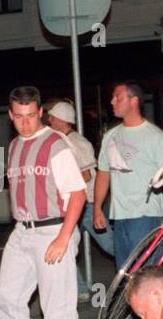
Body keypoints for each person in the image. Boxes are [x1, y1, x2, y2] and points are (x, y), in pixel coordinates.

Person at [0, 87, 88, 319]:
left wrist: (63, 237)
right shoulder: (15, 145)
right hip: (23, 231)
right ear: (10, 115)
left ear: (41, 112)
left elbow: (77, 193)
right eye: (18, 117)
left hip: (53, 229)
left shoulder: (55, 144)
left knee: (56, 309)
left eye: (31, 115)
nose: (25, 123)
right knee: (6, 301)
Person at [93, 81, 163, 319]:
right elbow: (104, 174)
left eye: (117, 97)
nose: (112, 102)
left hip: (147, 216)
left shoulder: (155, 137)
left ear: (133, 100)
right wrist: (97, 207)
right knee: (127, 278)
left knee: (148, 277)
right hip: (122, 218)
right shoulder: (111, 137)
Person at [44, 99, 112, 301]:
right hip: (72, 206)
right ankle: (80, 289)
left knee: (110, 245)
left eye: (52, 117)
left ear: (61, 120)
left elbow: (87, 175)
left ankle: (141, 265)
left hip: (87, 204)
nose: (49, 119)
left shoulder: (77, 142)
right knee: (65, 247)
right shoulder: (59, 140)